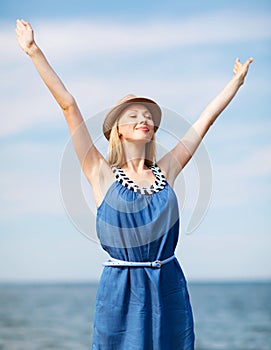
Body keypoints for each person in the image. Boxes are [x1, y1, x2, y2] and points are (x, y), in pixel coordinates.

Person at [16, 19, 253, 350]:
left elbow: (204, 121)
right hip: (121, 289)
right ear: (119, 130)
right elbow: (68, 104)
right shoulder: (101, 173)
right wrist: (33, 51)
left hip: (167, 285)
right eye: (133, 116)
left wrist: (236, 83)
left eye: (148, 117)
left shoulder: (166, 170)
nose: (144, 119)